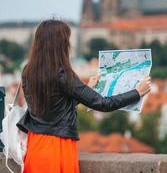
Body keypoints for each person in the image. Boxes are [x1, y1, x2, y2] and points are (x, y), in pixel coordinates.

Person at [16, 20, 151, 173]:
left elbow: (55, 108)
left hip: (35, 146)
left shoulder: (28, 71)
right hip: (58, 147)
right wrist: (136, 93)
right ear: (60, 44)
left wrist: (86, 89)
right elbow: (103, 104)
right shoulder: (63, 74)